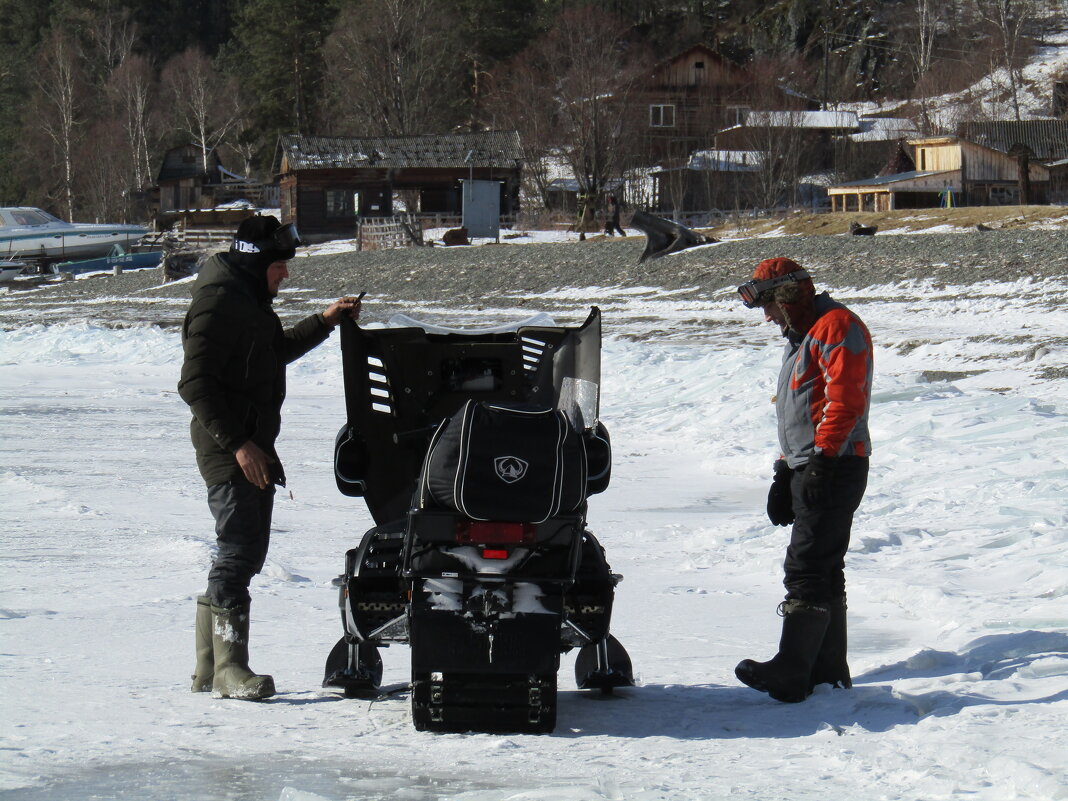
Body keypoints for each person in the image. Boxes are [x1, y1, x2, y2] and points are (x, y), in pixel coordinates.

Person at [179, 214, 361, 700]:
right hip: (230, 448)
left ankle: (208, 667)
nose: (286, 275)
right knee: (238, 550)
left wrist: (324, 322)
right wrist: (239, 445)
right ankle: (228, 669)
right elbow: (194, 383)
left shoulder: (247, 301)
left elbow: (272, 351)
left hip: (250, 444)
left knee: (246, 550)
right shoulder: (218, 303)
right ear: (256, 262)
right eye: (280, 266)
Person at [733, 257, 873, 703]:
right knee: (825, 567)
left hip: (835, 463)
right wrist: (783, 469)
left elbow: (844, 400)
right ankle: (827, 672)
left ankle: (792, 671)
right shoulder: (801, 335)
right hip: (812, 462)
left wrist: (822, 462)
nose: (768, 318)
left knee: (807, 566)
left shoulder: (836, 325)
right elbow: (800, 408)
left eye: (770, 308)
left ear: (788, 298)